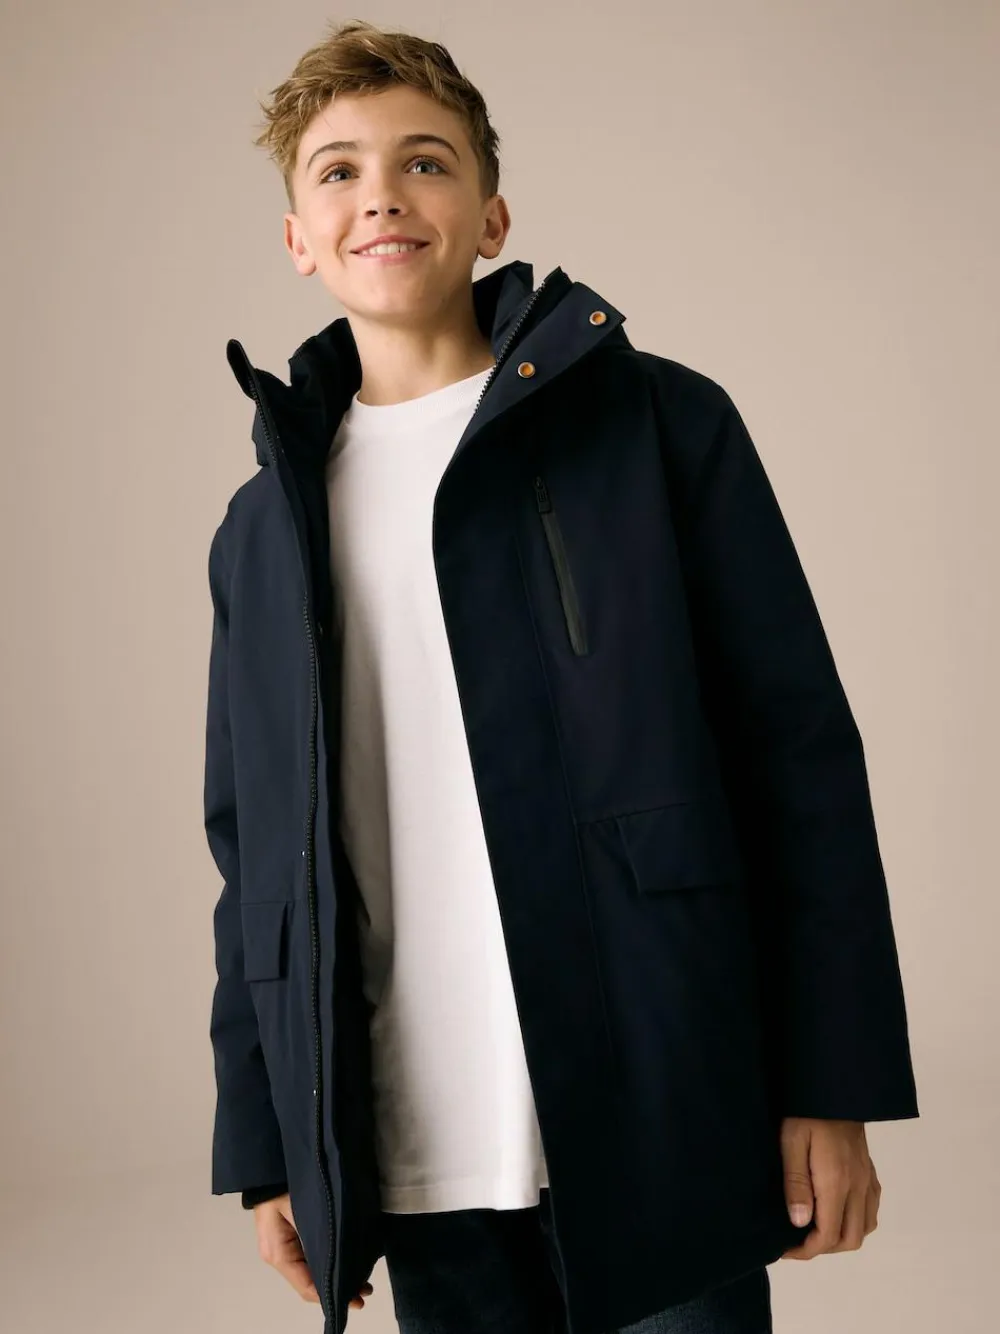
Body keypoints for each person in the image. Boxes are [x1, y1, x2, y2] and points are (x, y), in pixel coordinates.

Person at [204, 18, 919, 1334]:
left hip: (660, 1097)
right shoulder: (264, 530)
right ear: (299, 237)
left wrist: (832, 1084)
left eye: (425, 162)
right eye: (339, 171)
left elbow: (797, 758)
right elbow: (256, 862)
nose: (382, 195)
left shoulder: (657, 425)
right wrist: (269, 1143)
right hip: (412, 1139)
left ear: (491, 216)